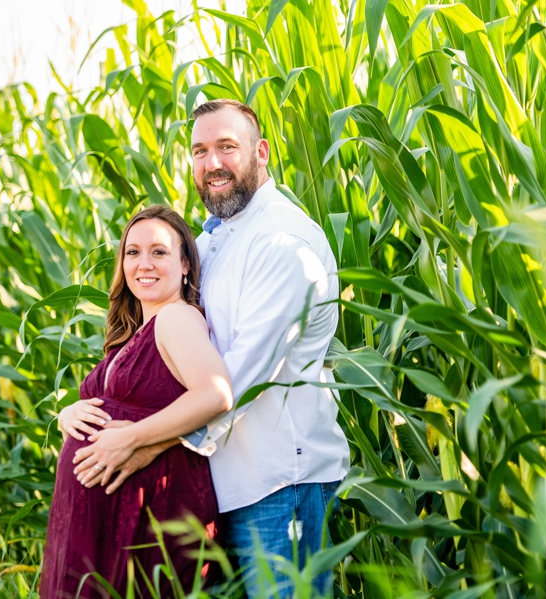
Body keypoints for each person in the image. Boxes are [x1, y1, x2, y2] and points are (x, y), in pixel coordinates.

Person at [182, 99, 350, 597]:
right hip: (224, 486)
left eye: (226, 147)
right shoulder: (211, 241)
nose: (212, 163)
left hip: (281, 483)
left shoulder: (281, 238)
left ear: (262, 152)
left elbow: (243, 376)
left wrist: (145, 441)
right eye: (200, 151)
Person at [40, 206, 232, 598]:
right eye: (133, 252)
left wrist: (130, 439)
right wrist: (68, 413)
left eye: (159, 252)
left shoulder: (176, 319)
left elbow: (216, 394)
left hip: (153, 511)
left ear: (184, 265)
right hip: (111, 518)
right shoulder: (135, 331)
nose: (144, 263)